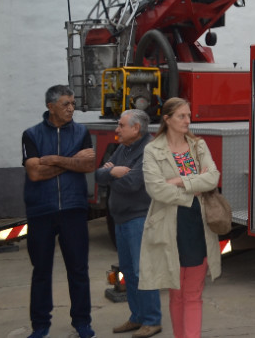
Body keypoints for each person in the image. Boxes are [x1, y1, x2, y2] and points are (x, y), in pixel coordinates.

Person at [140, 98, 221, 338]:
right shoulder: (153, 150)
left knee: (193, 293)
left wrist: (178, 181)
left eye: (188, 115)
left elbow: (213, 178)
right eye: (181, 116)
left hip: (198, 225)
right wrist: (192, 189)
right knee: (176, 292)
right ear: (167, 119)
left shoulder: (198, 146)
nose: (188, 120)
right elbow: (156, 190)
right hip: (168, 226)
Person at [21, 85, 96, 338]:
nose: (71, 108)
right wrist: (71, 161)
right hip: (41, 210)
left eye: (72, 103)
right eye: (65, 104)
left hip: (73, 209)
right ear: (50, 107)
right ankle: (40, 325)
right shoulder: (31, 135)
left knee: (78, 269)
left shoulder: (82, 132)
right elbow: (34, 172)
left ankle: (82, 322)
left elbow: (88, 165)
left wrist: (53, 159)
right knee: (41, 271)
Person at [95, 109, 162, 338]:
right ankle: (137, 317)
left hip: (139, 219)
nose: (116, 130)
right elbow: (98, 175)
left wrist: (110, 174)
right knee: (129, 272)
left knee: (143, 272)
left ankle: (152, 320)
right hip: (121, 219)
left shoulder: (149, 151)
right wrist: (115, 172)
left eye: (121, 125)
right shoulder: (124, 148)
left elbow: (133, 184)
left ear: (136, 128)